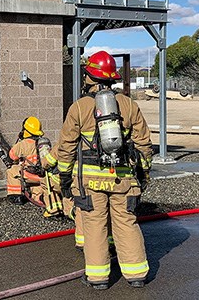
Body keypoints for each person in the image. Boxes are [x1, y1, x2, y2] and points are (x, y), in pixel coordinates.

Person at [52, 51, 152, 289]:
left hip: (88, 182)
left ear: (90, 77)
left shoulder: (79, 107)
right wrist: (143, 175)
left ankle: (98, 278)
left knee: (95, 225)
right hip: (123, 178)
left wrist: (65, 177)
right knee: (126, 222)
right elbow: (144, 145)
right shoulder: (128, 105)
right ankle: (136, 274)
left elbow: (66, 147)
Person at [6, 116, 63, 218]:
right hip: (42, 177)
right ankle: (40, 197)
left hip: (29, 175)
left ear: (26, 130)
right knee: (36, 190)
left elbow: (11, 157)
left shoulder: (23, 144)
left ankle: (16, 196)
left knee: (12, 170)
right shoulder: (43, 143)